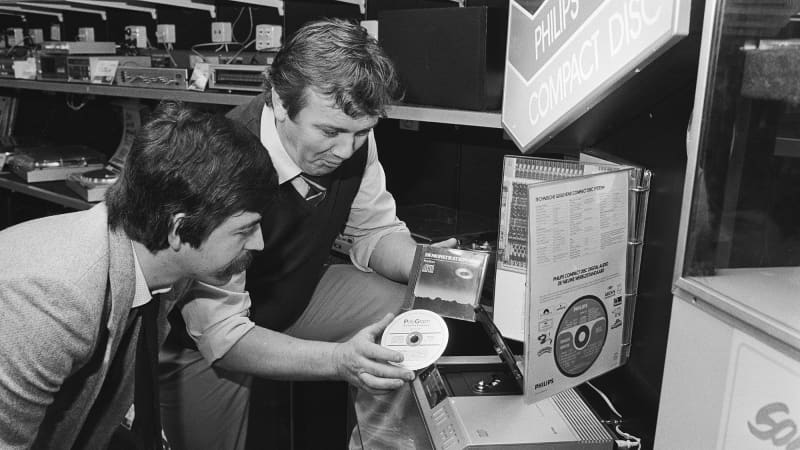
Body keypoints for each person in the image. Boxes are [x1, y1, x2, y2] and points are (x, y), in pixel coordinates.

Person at [159, 18, 453, 450]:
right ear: (279, 101)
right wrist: (340, 361)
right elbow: (222, 334)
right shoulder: (219, 163)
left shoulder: (351, 138)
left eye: (362, 133)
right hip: (204, 342)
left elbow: (372, 231)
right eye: (329, 132)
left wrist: (425, 265)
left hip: (296, 294)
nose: (345, 151)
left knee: (404, 317)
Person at [0, 101, 278, 449]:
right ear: (179, 228)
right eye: (245, 229)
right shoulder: (51, 303)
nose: (260, 243)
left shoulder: (161, 263)